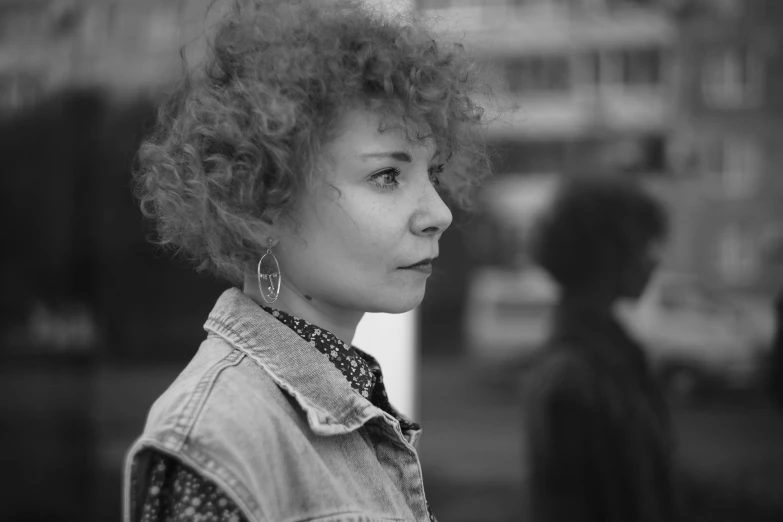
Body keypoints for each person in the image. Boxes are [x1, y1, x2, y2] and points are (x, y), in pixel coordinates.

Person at [122, 1, 490, 521]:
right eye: (387, 175)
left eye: (435, 172)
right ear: (264, 199)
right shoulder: (222, 440)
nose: (439, 213)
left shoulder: (345, 402)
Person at [520, 175, 677, 522]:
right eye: (642, 244)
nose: (654, 261)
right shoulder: (572, 377)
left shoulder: (615, 357)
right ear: (606, 253)